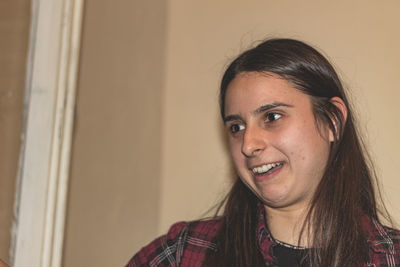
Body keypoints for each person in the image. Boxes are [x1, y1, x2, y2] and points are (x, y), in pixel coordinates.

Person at [126, 38, 400, 266]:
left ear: (332, 121)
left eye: (272, 117)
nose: (248, 144)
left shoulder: (390, 256)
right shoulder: (182, 253)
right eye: (237, 126)